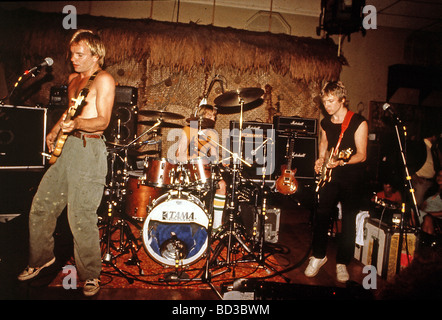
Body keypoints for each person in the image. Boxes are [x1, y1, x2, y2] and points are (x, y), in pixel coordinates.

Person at [17, 30, 115, 297]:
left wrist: (79, 124)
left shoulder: (104, 80)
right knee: (41, 205)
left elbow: (102, 120)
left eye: (80, 54)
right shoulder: (73, 79)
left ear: (96, 56)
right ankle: (40, 259)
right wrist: (55, 129)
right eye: (72, 53)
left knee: (80, 216)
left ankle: (91, 274)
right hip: (68, 145)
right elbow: (71, 111)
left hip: (89, 148)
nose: (73, 58)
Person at [304, 81, 368, 283]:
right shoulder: (326, 122)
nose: (327, 106)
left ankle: (342, 262)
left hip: (352, 178)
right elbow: (324, 142)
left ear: (342, 99)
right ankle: (318, 256)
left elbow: (362, 155)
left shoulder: (359, 122)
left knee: (349, 221)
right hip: (330, 176)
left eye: (331, 101)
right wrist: (320, 159)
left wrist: (341, 161)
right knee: (321, 214)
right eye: (325, 102)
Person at [175, 104, 226, 230]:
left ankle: (217, 224)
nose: (213, 119)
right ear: (201, 116)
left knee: (222, 185)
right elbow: (178, 156)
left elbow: (214, 157)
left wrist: (220, 162)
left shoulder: (212, 134)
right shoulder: (189, 129)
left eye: (214, 116)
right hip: (187, 170)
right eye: (210, 115)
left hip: (204, 171)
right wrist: (195, 159)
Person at [420, 169, 442, 237]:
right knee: (412, 212)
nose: (439, 178)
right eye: (438, 175)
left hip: (437, 217)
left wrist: (429, 214)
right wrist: (422, 212)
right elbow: (423, 205)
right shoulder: (431, 190)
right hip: (425, 213)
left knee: (427, 218)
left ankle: (426, 241)